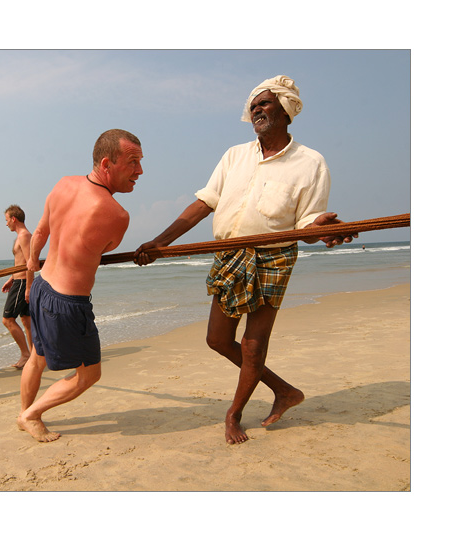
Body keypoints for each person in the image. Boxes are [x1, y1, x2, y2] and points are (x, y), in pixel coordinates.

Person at [134, 75, 355, 445]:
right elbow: (204, 203)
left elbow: (305, 225)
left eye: (265, 103)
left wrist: (322, 228)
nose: (256, 109)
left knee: (254, 343)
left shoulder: (311, 163)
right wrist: (159, 242)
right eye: (253, 104)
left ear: (286, 109)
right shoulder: (234, 156)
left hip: (274, 256)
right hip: (231, 254)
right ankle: (284, 390)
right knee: (217, 339)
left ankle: (234, 414)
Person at [18, 128, 144, 442]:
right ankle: (29, 415)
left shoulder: (64, 184)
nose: (139, 171)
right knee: (89, 374)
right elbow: (106, 247)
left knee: (38, 358)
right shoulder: (116, 214)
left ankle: (25, 413)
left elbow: (40, 232)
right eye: (132, 163)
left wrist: (33, 265)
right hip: (67, 303)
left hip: (43, 286)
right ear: (106, 164)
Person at [1, 204, 34, 369]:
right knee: (26, 320)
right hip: (19, 280)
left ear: (14, 219)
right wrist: (11, 278)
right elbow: (20, 262)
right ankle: (34, 355)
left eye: (7, 220)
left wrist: (28, 287)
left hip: (23, 284)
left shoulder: (24, 236)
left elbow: (30, 262)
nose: (6, 224)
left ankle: (26, 355)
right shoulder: (21, 236)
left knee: (7, 320)